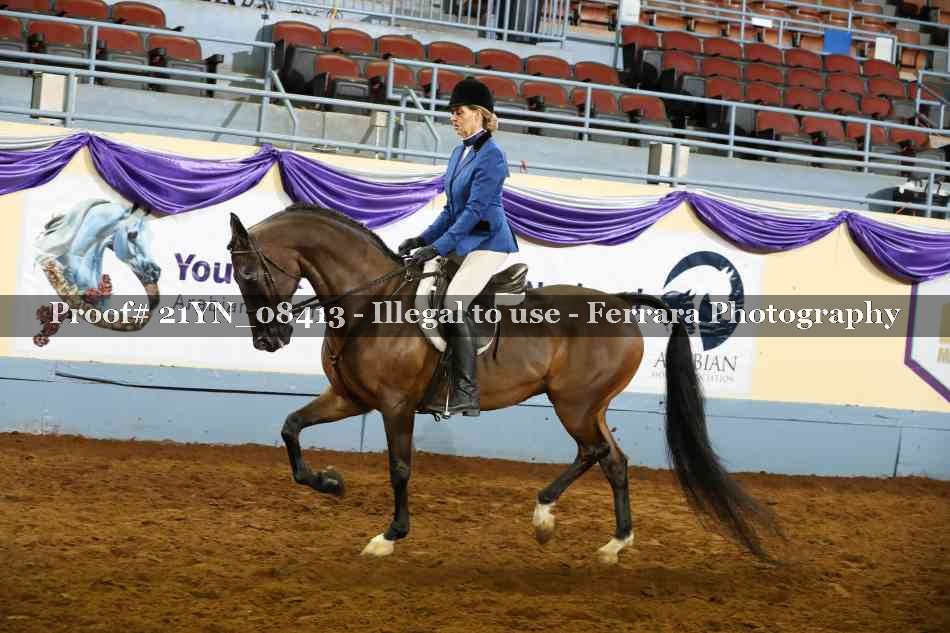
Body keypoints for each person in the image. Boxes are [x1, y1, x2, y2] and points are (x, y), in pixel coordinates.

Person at [398, 77, 519, 417]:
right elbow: (451, 211)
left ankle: (466, 391)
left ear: (479, 114)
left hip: (488, 241)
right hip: (463, 239)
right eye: (451, 112)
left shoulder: (493, 155)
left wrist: (438, 247)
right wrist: (422, 240)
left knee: (452, 304)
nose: (453, 118)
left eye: (459, 112)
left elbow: (474, 211)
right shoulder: (457, 153)